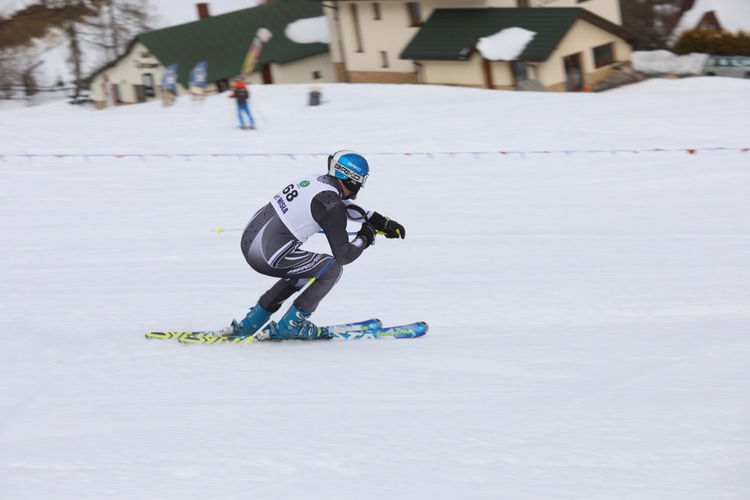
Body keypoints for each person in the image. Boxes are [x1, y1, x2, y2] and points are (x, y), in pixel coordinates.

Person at [218, 150, 406, 340]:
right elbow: (344, 255)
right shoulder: (332, 204)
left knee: (305, 270)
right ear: (352, 180)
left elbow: (340, 206)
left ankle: (252, 323)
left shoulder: (317, 181)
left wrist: (381, 222)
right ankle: (292, 325)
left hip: (251, 241)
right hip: (267, 255)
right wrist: (366, 235)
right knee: (331, 268)